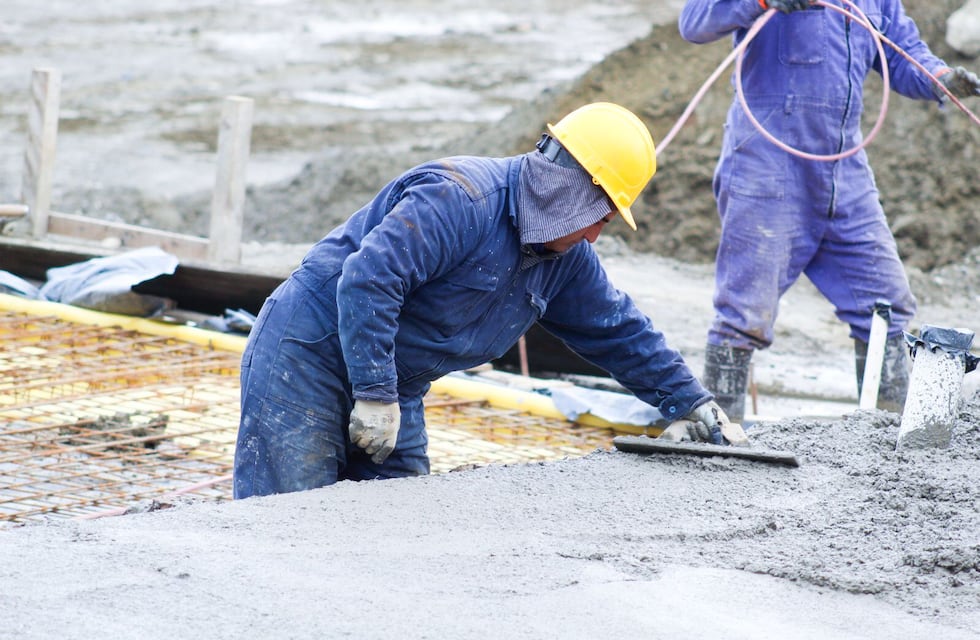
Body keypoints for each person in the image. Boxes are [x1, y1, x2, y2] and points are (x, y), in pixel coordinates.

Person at [233, 102, 749, 499]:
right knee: (286, 523)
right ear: (572, 193)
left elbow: (617, 329)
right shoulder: (458, 201)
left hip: (394, 384)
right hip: (306, 359)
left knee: (393, 523)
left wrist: (691, 401)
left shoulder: (563, 258)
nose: (595, 235)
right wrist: (373, 392)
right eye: (602, 216)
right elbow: (368, 280)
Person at [678, 0, 980, 421]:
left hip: (845, 172)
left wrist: (941, 79)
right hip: (767, 164)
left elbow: (900, 50)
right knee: (744, 313)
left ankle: (880, 442)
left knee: (885, 306)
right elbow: (694, 22)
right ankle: (717, 438)